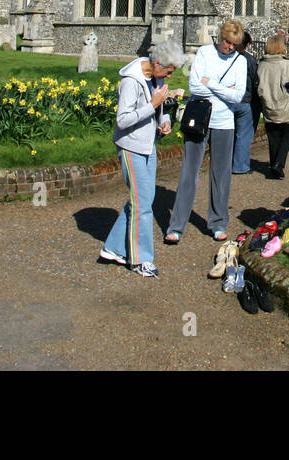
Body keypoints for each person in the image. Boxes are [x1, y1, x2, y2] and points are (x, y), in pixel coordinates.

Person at [100, 40, 183, 278]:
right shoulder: (131, 81)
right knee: (142, 204)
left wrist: (163, 120)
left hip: (148, 145)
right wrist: (152, 106)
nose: (169, 75)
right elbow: (123, 120)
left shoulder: (157, 78)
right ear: (157, 63)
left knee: (144, 199)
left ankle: (113, 248)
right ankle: (139, 259)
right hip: (131, 146)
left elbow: (159, 108)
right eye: (168, 71)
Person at [165, 20, 247, 244]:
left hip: (224, 122)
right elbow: (195, 87)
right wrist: (223, 90)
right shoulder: (203, 53)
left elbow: (238, 96)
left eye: (234, 45)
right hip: (200, 119)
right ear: (220, 36)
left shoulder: (240, 62)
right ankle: (177, 226)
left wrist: (210, 84)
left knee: (220, 174)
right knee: (188, 172)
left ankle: (218, 223)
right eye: (227, 42)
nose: (229, 47)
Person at [257, 34, 289, 179]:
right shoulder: (287, 64)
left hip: (268, 106)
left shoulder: (262, 64)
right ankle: (279, 164)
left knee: (273, 137)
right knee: (286, 135)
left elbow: (258, 85)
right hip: (284, 105)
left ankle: (273, 166)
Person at [230, 30, 260, 175]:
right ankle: (240, 166)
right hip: (245, 101)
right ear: (247, 44)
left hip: (228, 100)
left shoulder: (225, 58)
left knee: (229, 133)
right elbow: (256, 80)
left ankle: (224, 163)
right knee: (243, 135)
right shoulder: (250, 60)